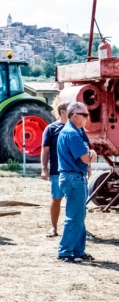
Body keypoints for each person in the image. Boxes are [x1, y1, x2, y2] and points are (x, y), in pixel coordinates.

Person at [56, 101, 96, 263]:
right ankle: (65, 252)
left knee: (79, 215)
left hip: (74, 177)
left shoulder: (76, 132)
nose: (88, 117)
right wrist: (92, 153)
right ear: (74, 116)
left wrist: (89, 155)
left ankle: (78, 251)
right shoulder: (72, 134)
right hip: (73, 178)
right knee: (74, 216)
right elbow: (85, 158)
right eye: (85, 114)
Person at [41, 101, 71, 238]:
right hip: (56, 171)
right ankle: (53, 228)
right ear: (63, 112)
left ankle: (76, 227)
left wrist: (88, 166)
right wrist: (44, 168)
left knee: (75, 201)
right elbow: (45, 150)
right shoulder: (51, 129)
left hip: (74, 171)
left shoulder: (78, 128)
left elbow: (86, 148)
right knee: (56, 198)